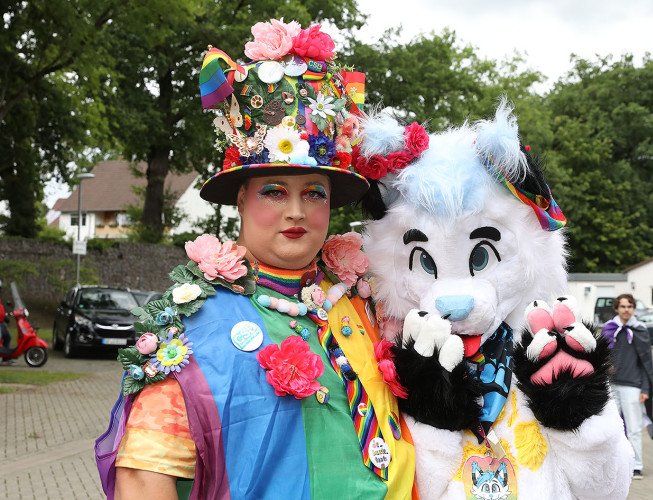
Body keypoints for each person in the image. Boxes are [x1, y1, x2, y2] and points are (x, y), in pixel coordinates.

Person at [95, 19, 416, 500]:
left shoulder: (369, 303)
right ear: (241, 201)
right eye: (273, 191)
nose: (295, 211)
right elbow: (146, 477)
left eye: (313, 193)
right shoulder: (190, 325)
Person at [601, 293, 653, 480]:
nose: (626, 310)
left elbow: (646, 363)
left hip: (633, 387)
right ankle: (614, 466)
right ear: (616, 308)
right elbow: (601, 356)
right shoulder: (608, 329)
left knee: (635, 428)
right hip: (611, 386)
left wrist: (645, 389)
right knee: (612, 428)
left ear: (633, 308)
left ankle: (636, 465)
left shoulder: (639, 330)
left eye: (629, 306)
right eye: (622, 306)